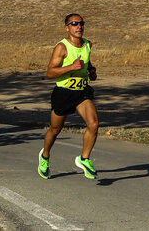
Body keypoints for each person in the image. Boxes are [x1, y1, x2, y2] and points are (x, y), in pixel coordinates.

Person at [37, 13, 99, 179]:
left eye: (81, 23)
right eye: (74, 24)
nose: (78, 26)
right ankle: (45, 156)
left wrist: (91, 71)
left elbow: (86, 62)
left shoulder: (87, 44)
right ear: (67, 28)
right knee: (55, 129)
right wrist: (71, 67)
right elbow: (50, 72)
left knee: (93, 124)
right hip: (64, 93)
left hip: (82, 92)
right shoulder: (61, 47)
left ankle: (84, 159)